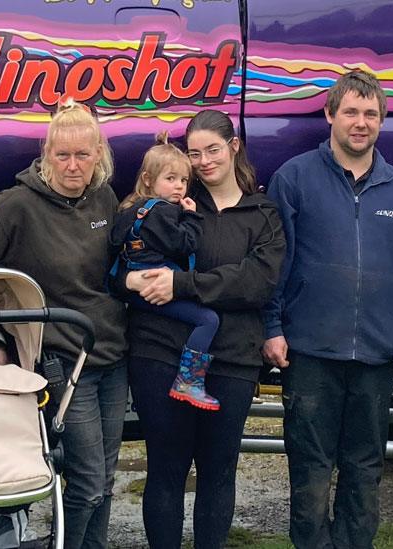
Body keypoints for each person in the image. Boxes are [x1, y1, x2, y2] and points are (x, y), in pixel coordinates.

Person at [0, 99, 128, 549]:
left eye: (83, 154)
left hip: (112, 352)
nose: (73, 165)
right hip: (62, 359)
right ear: (46, 154)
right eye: (63, 155)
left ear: (99, 153)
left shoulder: (104, 198)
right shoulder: (15, 206)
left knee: (106, 477)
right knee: (86, 482)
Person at [261, 70, 393, 549]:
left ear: (381, 121)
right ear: (330, 115)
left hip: (376, 354)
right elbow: (274, 265)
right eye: (351, 112)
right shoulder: (293, 179)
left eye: (370, 114)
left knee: (364, 470)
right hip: (310, 352)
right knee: (310, 473)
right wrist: (273, 327)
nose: (360, 122)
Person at [120, 110, 285, 548]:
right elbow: (124, 260)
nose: (204, 161)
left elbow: (257, 281)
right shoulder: (167, 209)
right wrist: (128, 281)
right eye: (194, 154)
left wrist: (183, 284)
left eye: (213, 150)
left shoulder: (262, 213)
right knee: (166, 470)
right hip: (160, 351)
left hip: (232, 357)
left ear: (234, 147)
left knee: (217, 472)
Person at [110, 132, 220, 410]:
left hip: (133, 289)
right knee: (208, 319)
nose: (179, 187)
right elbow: (185, 244)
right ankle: (190, 380)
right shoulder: (163, 212)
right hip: (156, 286)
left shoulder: (128, 209)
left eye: (184, 180)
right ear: (148, 179)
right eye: (170, 179)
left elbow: (113, 243)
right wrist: (193, 217)